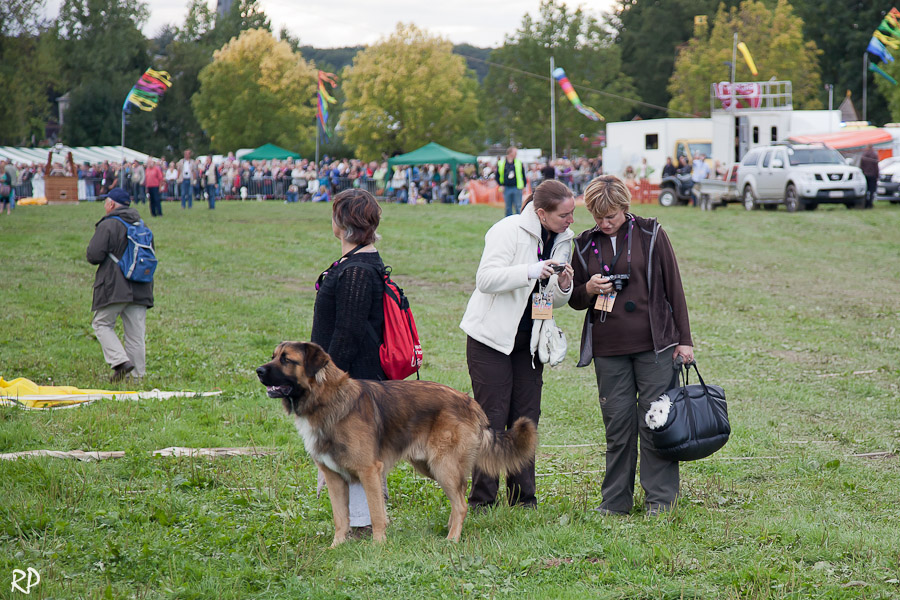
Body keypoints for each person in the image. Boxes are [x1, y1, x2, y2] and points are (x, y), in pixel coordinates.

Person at [568, 175, 694, 516]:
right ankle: (615, 502)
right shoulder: (582, 245)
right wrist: (589, 289)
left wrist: (685, 341)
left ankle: (660, 500)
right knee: (618, 427)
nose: (605, 223)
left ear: (625, 207)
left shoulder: (652, 234)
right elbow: (575, 300)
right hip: (609, 350)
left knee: (656, 423)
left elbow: (674, 289)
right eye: (597, 216)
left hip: (655, 346)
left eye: (611, 216)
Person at [459, 179, 576, 509]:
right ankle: (483, 499)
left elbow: (551, 298)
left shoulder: (564, 240)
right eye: (564, 215)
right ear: (541, 213)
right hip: (491, 340)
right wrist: (531, 269)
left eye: (572, 214)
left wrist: (563, 286)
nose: (571, 221)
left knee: (526, 419)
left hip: (531, 342)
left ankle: (523, 498)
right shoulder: (508, 230)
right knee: (492, 419)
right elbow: (486, 279)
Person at [310, 189, 388, 536]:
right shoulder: (358, 261)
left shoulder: (357, 269)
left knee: (354, 452)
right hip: (350, 376)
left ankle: (362, 523)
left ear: (341, 224)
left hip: (353, 378)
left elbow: (349, 331)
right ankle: (360, 520)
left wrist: (325, 380)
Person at [86, 188, 154, 381]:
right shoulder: (142, 225)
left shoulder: (108, 225)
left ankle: (120, 361)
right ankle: (137, 378)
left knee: (102, 323)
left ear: (112, 204)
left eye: (105, 202)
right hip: (141, 286)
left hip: (115, 286)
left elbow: (94, 255)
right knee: (135, 334)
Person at [496, 147, 526, 217]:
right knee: (508, 207)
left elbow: (523, 175)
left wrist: (524, 186)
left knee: (518, 206)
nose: (516, 154)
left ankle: (519, 222)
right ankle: (509, 223)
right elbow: (497, 175)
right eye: (515, 152)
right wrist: (501, 185)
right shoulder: (501, 163)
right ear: (510, 153)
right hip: (506, 188)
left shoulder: (518, 162)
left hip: (517, 187)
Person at [860, 145, 879, 209]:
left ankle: (865, 203)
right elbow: (876, 167)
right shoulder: (874, 155)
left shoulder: (863, 155)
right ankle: (870, 204)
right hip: (872, 175)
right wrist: (877, 175)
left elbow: (861, 166)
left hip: (865, 175)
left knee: (866, 190)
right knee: (871, 191)